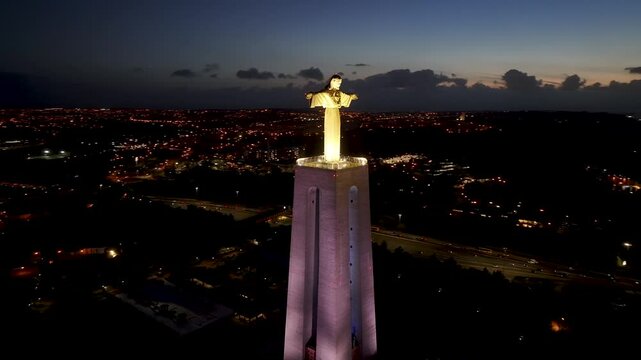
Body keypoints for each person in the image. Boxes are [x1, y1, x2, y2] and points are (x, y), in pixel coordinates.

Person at [306, 74, 358, 162]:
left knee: (336, 132)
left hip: (336, 113)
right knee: (330, 131)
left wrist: (351, 96)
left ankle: (334, 157)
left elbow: (346, 96)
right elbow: (317, 94)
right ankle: (330, 158)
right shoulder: (325, 93)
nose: (339, 84)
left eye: (340, 83)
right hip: (329, 113)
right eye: (338, 82)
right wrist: (311, 95)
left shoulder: (339, 93)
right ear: (332, 82)